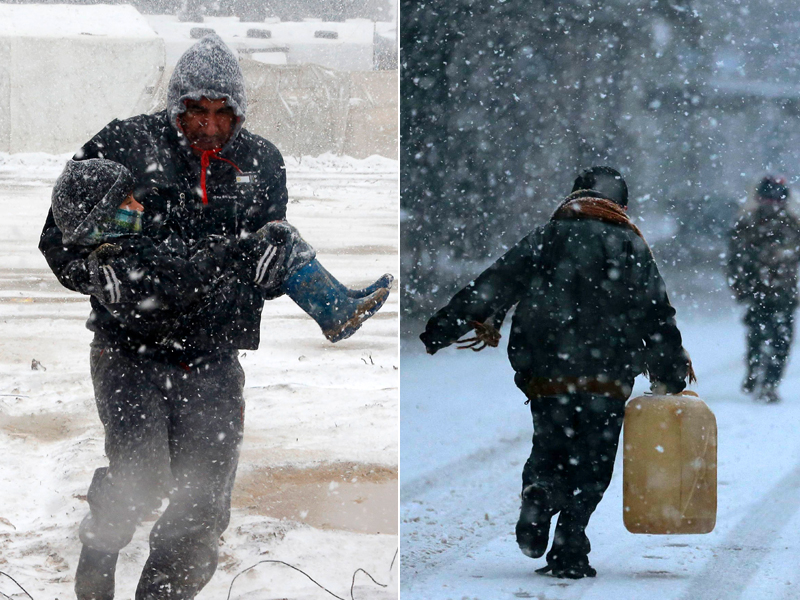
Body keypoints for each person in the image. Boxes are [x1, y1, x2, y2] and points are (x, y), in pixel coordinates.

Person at [39, 34, 391, 600]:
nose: (208, 126)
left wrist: (271, 274)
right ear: (175, 104)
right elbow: (62, 230)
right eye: (195, 112)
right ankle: (100, 547)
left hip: (212, 354)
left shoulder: (262, 162)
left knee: (201, 503)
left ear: (239, 111)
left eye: (222, 113)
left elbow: (262, 272)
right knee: (139, 479)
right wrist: (94, 275)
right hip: (129, 348)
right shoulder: (125, 142)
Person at [420, 166, 694, 579]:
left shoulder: (546, 238)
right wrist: (670, 371)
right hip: (607, 377)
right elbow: (655, 314)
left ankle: (540, 494)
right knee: (593, 463)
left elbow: (494, 283)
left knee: (550, 446)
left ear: (575, 196)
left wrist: (443, 327)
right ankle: (569, 547)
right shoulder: (630, 244)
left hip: (548, 373)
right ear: (621, 204)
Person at [50, 157, 391, 346]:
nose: (138, 206)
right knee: (273, 244)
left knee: (274, 239)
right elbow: (180, 283)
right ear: (102, 218)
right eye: (128, 202)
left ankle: (336, 299)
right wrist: (230, 253)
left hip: (189, 314)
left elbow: (172, 267)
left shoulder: (122, 245)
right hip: (187, 327)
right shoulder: (116, 261)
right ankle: (334, 311)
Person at [727, 176, 800, 403]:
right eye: (769, 198)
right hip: (757, 292)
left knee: (779, 341)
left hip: (783, 294)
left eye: (776, 199)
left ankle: (769, 383)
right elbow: (735, 260)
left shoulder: (792, 224)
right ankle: (756, 375)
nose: (772, 204)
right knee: (759, 338)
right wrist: (740, 286)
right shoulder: (748, 224)